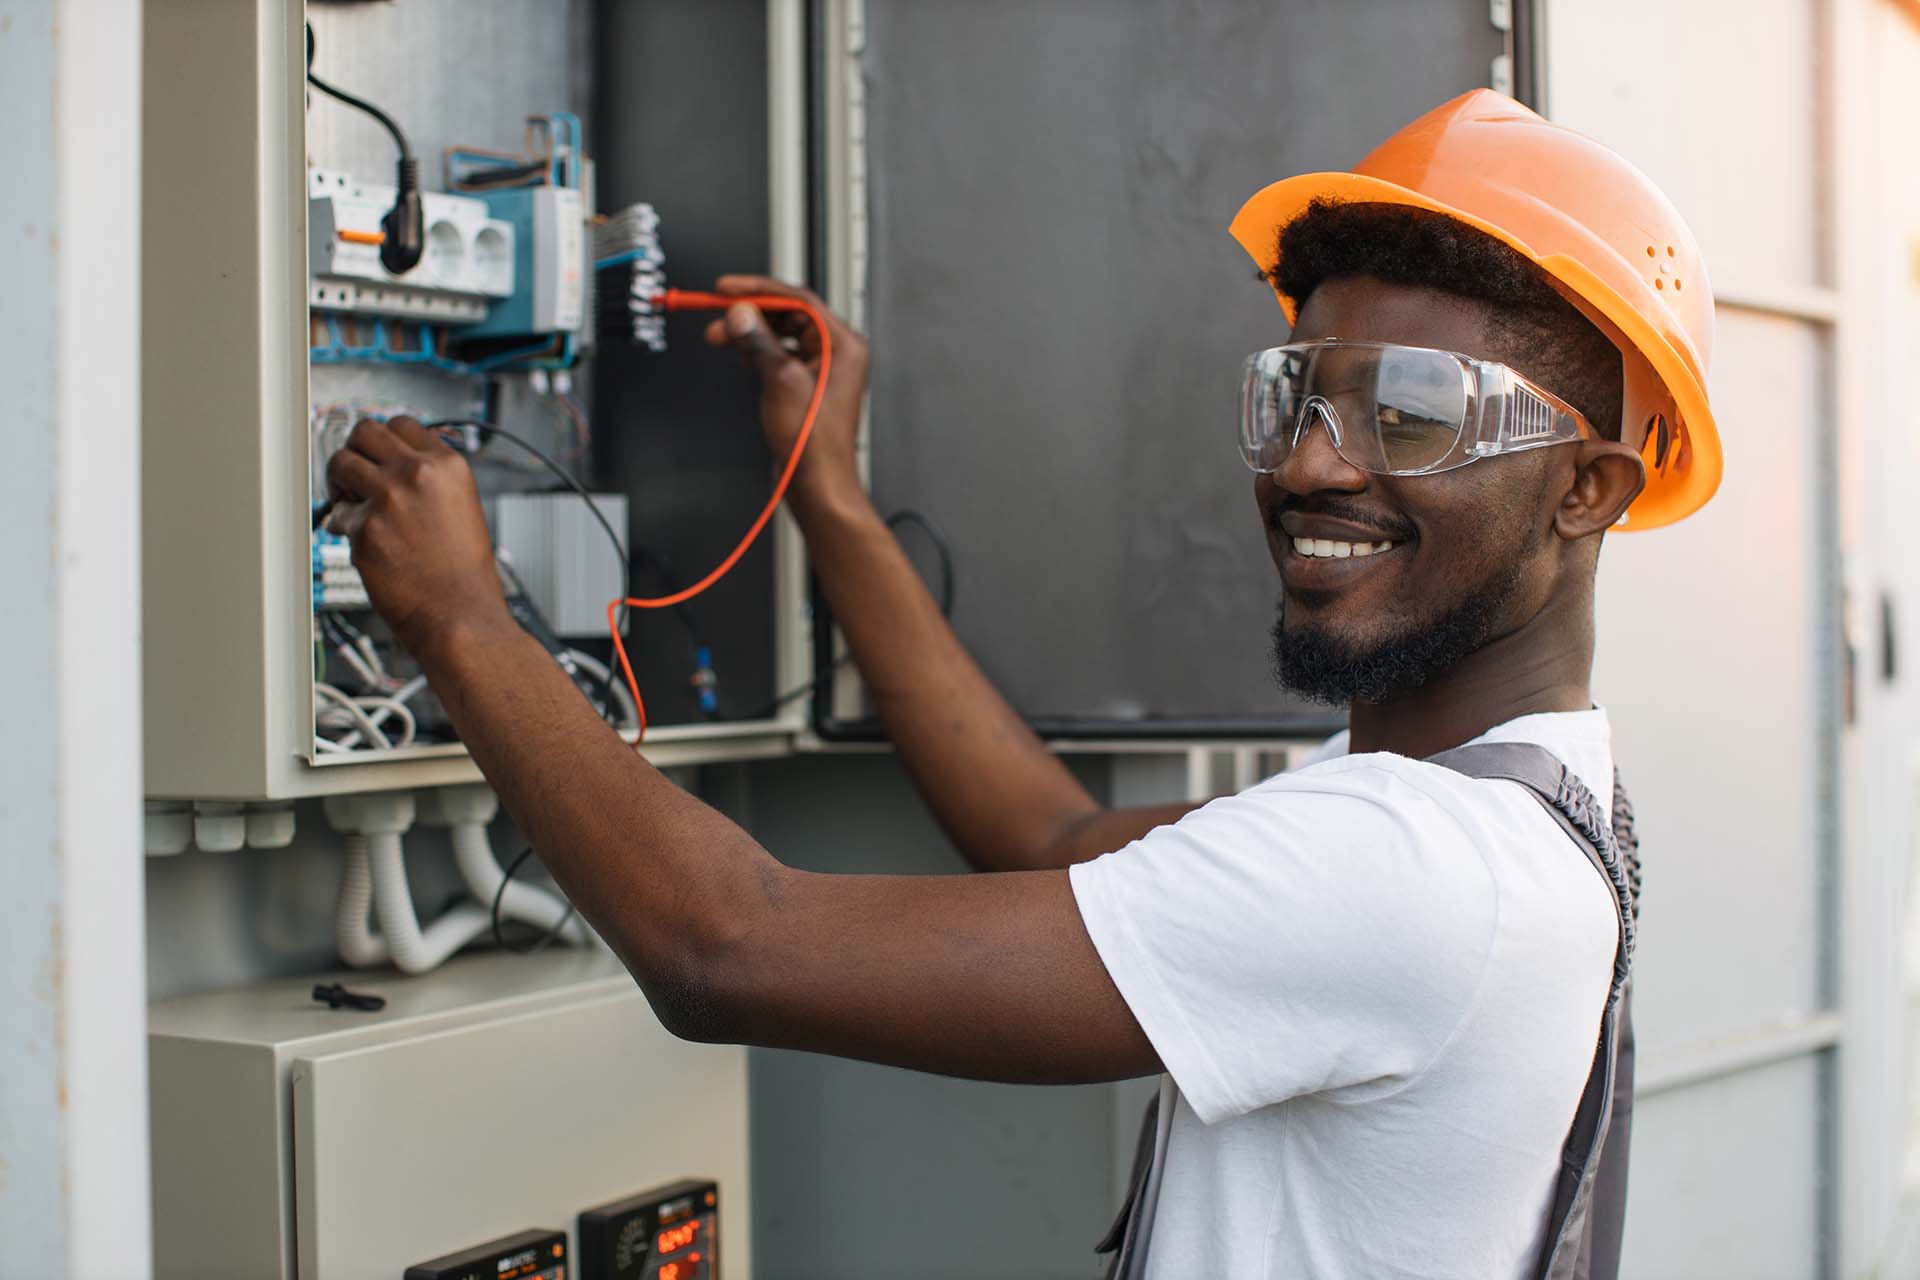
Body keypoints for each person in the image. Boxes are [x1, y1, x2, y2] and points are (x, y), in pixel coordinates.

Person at [322, 91, 1718, 1278]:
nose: (1310, 464)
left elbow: (721, 947)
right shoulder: (1519, 811)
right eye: (1296, 393)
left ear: (1588, 489)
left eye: (1412, 412)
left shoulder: (1410, 869)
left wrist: (461, 618)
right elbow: (1046, 839)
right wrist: (831, 497)